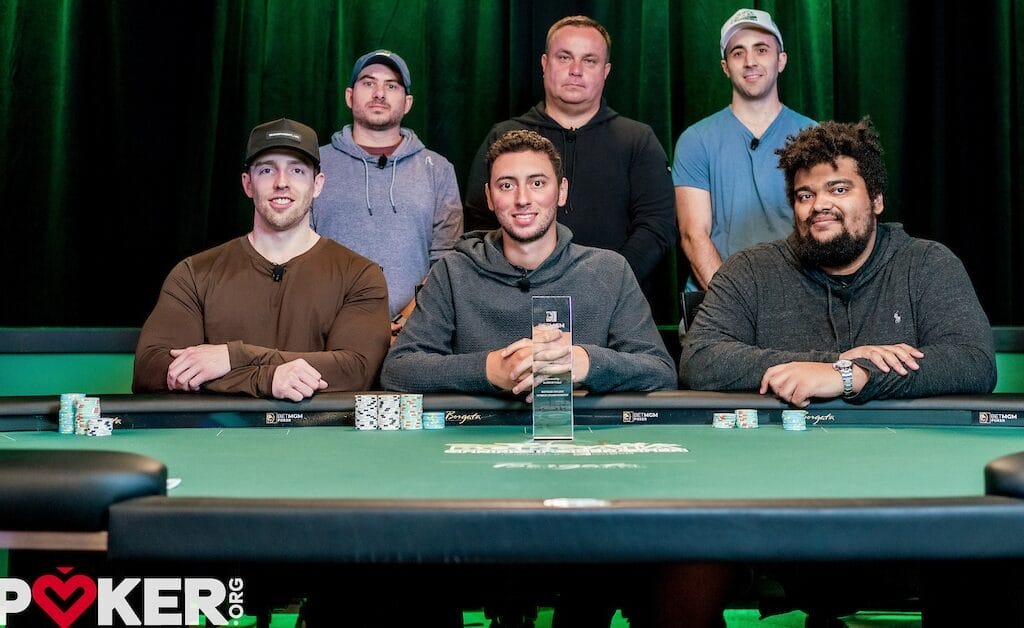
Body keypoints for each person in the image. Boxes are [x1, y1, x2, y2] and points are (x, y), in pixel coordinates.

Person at [680, 116, 996, 403]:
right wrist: (834, 363)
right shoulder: (749, 270)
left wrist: (854, 374)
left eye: (839, 189)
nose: (820, 205)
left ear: (876, 200)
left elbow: (973, 362)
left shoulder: (927, 264)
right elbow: (699, 360)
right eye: (805, 195)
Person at [382, 129, 676, 397]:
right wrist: (491, 369)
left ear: (561, 191)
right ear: (489, 197)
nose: (522, 199)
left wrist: (585, 363)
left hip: (582, 434)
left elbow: (660, 371)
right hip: (479, 433)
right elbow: (398, 370)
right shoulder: (452, 272)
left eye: (537, 183)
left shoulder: (610, 271)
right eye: (506, 185)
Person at [133, 118, 390, 400]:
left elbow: (355, 370)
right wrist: (265, 379)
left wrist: (233, 357)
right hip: (219, 429)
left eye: (297, 170)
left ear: (317, 184)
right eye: (267, 170)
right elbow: (151, 368)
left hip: (319, 430)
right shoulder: (195, 273)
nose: (282, 183)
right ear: (248, 184)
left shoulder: (360, 275)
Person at [461, 15, 676, 296]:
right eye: (564, 57)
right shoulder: (504, 137)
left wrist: (607, 283)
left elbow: (657, 227)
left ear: (605, 71)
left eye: (589, 60)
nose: (576, 70)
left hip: (612, 300)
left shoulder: (638, 140)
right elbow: (479, 223)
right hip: (517, 296)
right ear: (544, 63)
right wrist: (519, 282)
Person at [311, 49, 462, 336]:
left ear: (407, 103)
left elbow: (447, 262)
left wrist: (407, 320)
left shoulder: (438, 169)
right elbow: (298, 255)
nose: (379, 93)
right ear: (349, 96)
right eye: (368, 83)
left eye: (391, 86)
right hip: (329, 334)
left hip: (414, 334)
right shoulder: (313, 164)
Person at [674, 8, 816, 291]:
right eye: (738, 53)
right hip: (720, 296)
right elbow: (693, 235)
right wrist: (733, 303)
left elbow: (822, 228)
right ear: (725, 67)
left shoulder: (813, 136)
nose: (750, 62)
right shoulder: (695, 140)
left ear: (781, 61)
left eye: (761, 50)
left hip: (799, 295)